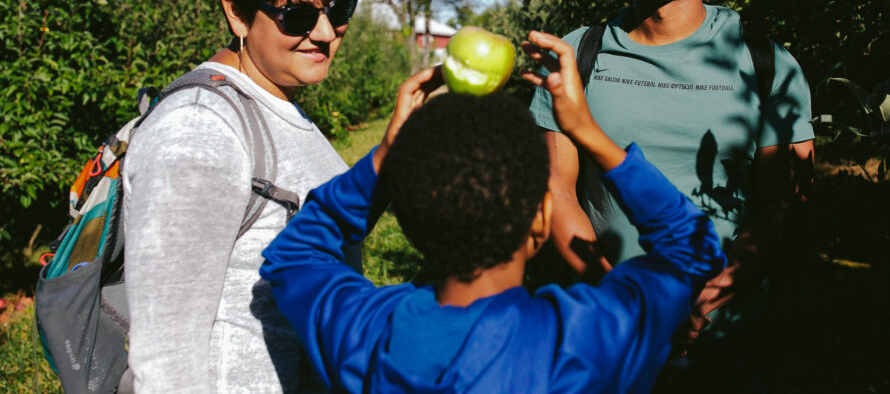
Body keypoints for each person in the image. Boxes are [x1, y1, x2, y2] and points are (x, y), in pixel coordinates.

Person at [259, 30, 727, 393]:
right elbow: (691, 245)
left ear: (405, 218)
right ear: (541, 220)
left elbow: (295, 252)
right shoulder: (594, 336)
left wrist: (386, 154)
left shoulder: (367, 334)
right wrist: (588, 133)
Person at [528, 0, 815, 364]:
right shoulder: (579, 52)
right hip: (605, 329)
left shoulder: (764, 59)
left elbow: (787, 199)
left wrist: (717, 290)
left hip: (725, 335)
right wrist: (617, 296)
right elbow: (555, 189)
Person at [122, 0, 362, 392]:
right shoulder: (198, 129)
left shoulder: (276, 102)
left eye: (339, 10)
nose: (324, 34)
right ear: (237, 11)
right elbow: (166, 354)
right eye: (296, 16)